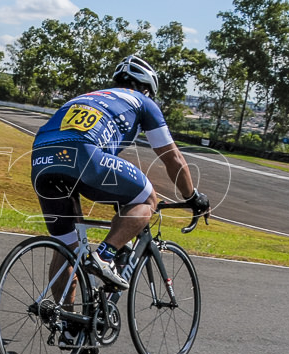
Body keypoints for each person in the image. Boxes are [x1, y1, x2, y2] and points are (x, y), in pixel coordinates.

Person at [30, 55, 210, 291]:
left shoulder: (90, 96)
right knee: (147, 198)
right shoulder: (142, 102)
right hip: (83, 155)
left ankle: (66, 325)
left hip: (41, 159)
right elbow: (172, 158)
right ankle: (104, 257)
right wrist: (192, 197)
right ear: (146, 89)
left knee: (68, 249)